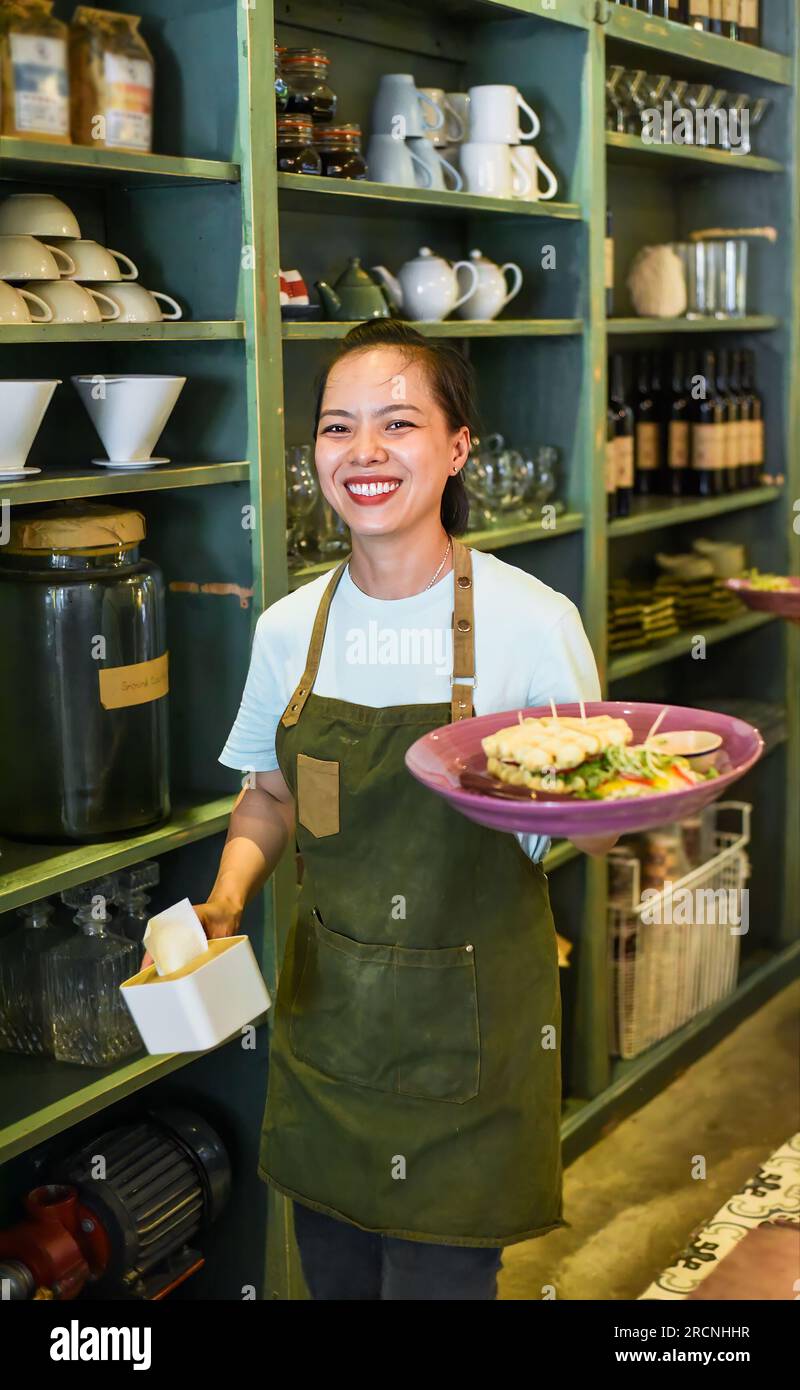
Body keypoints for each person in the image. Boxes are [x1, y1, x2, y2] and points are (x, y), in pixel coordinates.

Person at [187, 320, 613, 1299]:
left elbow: (596, 812)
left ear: (457, 446)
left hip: (467, 1054)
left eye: (398, 423)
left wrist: (589, 807)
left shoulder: (532, 625)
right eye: (338, 428)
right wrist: (223, 901)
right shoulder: (288, 628)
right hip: (329, 1038)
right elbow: (268, 793)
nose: (364, 453)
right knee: (332, 1281)